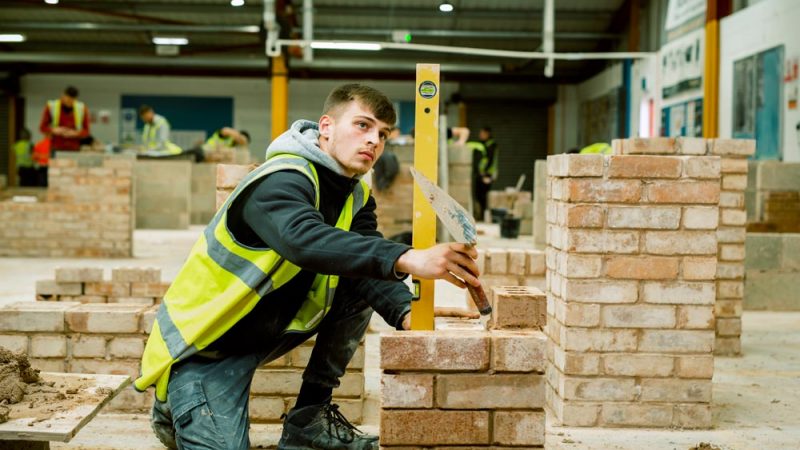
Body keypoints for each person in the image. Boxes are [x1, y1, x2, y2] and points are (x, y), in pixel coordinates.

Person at [135, 83, 481, 450]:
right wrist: (408, 257)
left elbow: (366, 259)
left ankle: (309, 421)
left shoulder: (356, 194)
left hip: (265, 329)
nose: (374, 141)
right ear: (326, 127)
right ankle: (174, 408)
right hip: (206, 348)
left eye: (383, 134)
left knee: (365, 269)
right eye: (362, 126)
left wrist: (406, 311)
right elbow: (302, 239)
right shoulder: (280, 178)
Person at [38, 85, 90, 153]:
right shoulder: (51, 106)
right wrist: (54, 130)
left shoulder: (82, 108)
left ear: (75, 99)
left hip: (74, 147)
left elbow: (86, 131)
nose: (69, 103)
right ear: (63, 95)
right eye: (67, 99)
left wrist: (75, 133)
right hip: (55, 146)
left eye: (72, 101)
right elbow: (42, 128)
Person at [469, 126, 498, 222]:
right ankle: (481, 216)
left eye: (482, 133)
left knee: (483, 195)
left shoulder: (492, 145)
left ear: (487, 134)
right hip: (480, 174)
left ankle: (484, 217)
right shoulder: (482, 144)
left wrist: (485, 174)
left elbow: (490, 160)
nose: (480, 135)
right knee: (478, 194)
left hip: (487, 174)